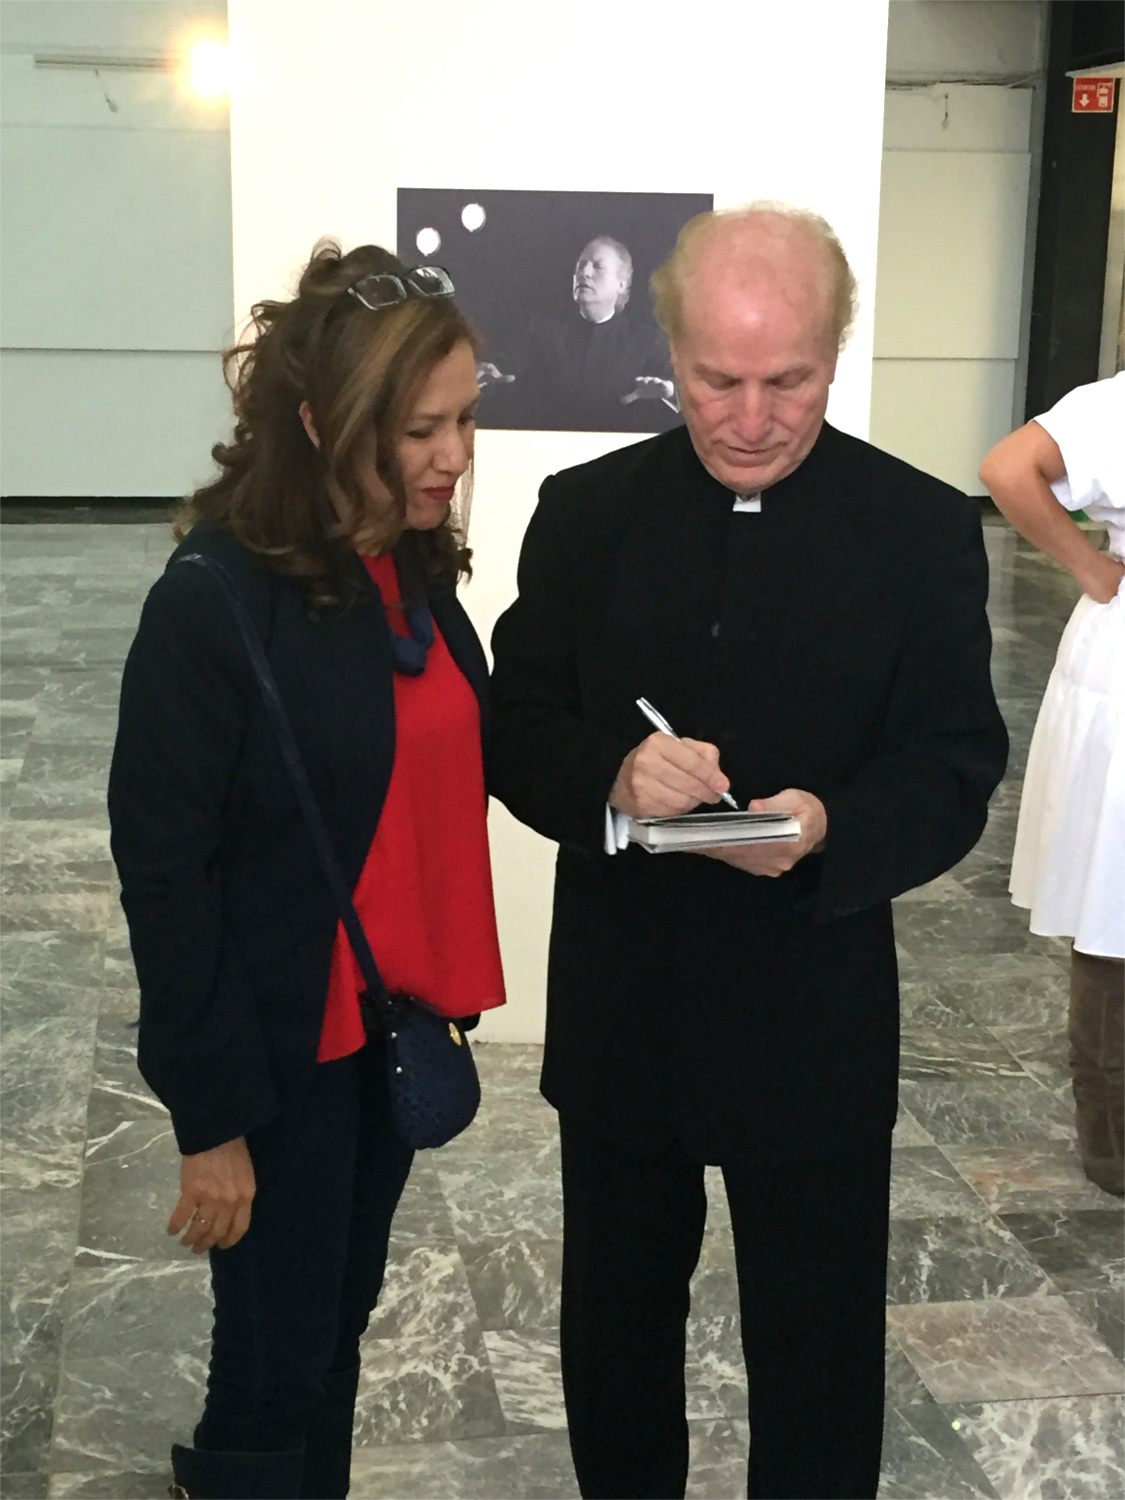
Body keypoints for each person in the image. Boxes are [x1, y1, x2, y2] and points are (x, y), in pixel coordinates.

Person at [488, 203, 1008, 1500]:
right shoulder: (584, 513)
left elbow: (953, 764)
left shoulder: (919, 531)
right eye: (719, 379)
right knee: (615, 1348)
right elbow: (513, 729)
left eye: (792, 380)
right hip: (625, 1015)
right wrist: (610, 775)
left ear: (838, 354)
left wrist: (834, 831)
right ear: (669, 351)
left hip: (814, 1022)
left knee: (819, 1365)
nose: (754, 415)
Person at [107, 241, 505, 1500]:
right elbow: (166, 877)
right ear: (324, 422)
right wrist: (211, 1119)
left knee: (332, 1332)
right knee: (275, 1366)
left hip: (383, 1031)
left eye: (465, 419)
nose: (453, 454)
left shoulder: (411, 567)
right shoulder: (213, 602)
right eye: (420, 427)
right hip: (282, 1058)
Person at [979, 374, 1124, 1196]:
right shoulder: (1118, 404)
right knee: (1115, 908)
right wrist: (1088, 565)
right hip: (1122, 675)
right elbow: (1007, 467)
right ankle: (1113, 1144)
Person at [478, 233, 679, 431]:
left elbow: (681, 386)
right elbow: (508, 365)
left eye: (597, 266)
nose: (585, 272)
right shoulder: (544, 332)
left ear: (621, 284)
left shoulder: (646, 340)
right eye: (580, 265)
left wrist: (668, 390)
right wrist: (492, 372)